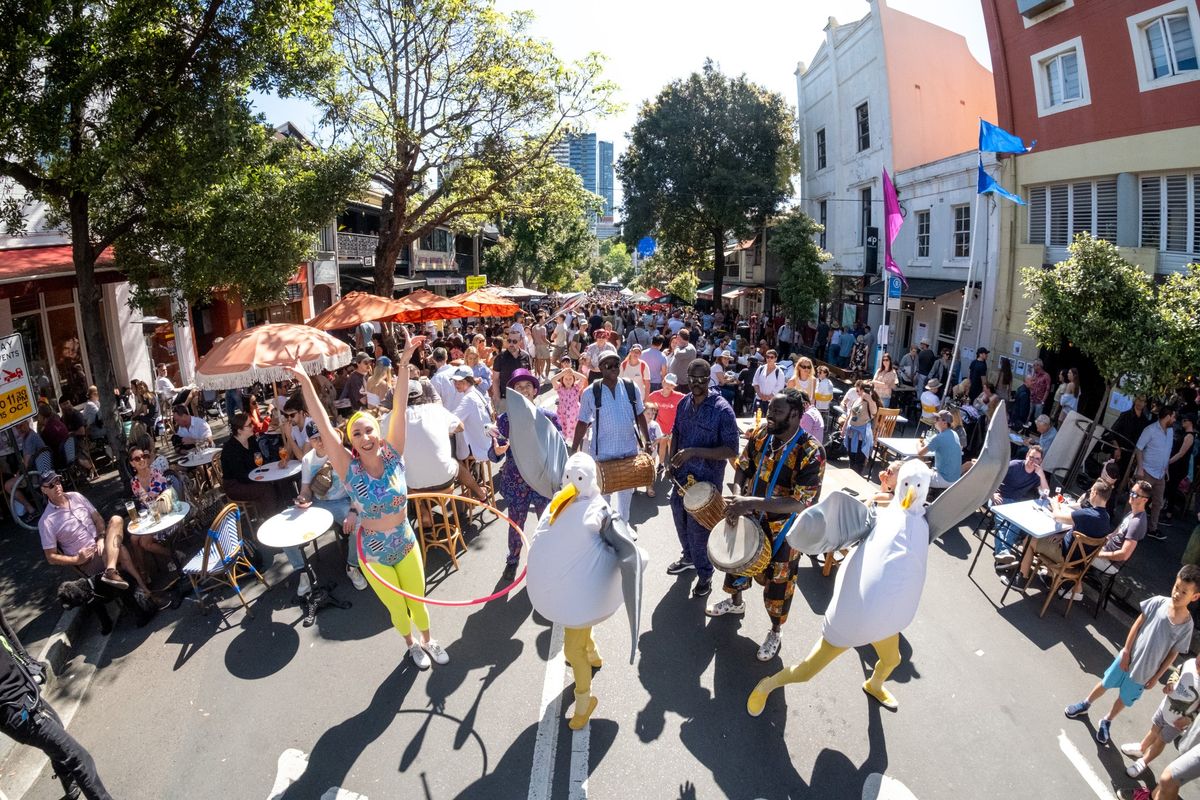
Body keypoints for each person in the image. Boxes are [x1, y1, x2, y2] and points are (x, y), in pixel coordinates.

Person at [289, 332, 449, 669]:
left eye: (369, 430)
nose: (364, 436)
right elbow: (320, 420)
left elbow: (401, 406)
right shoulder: (349, 470)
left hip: (405, 542)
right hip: (374, 553)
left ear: (379, 432)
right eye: (356, 433)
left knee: (417, 601)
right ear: (351, 441)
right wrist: (305, 380)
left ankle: (428, 639)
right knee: (397, 608)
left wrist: (404, 364)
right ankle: (411, 645)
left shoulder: (393, 454)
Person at [707, 389, 825, 661]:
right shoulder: (761, 435)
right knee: (736, 562)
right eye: (769, 410)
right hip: (750, 516)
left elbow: (801, 501)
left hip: (785, 531)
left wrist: (750, 502)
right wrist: (738, 496)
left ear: (795, 415)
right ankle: (736, 604)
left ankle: (775, 631)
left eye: (777, 412)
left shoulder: (811, 452)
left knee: (779, 586)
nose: (769, 416)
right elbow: (743, 467)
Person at [1065, 565, 1200, 746]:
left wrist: (1156, 677)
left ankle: (1107, 720)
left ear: (1195, 596)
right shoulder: (1158, 602)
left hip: (1146, 672)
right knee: (1106, 682)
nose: (1177, 593)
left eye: (1184, 592)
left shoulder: (1187, 625)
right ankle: (1085, 704)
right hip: (1127, 658)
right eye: (1176, 587)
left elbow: (1173, 654)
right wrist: (1126, 652)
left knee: (1125, 698)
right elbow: (1137, 625)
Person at [0, 602, 113, 799]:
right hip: (16, 709)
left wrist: (28, 661)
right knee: (79, 758)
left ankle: (70, 787)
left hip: (26, 691)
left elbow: (5, 628)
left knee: (58, 732)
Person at [666, 359, 739, 599]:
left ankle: (705, 575)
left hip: (706, 484)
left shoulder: (722, 410)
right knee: (680, 521)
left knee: (699, 532)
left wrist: (693, 451)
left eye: (703, 379)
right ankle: (688, 558)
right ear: (687, 376)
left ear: (710, 378)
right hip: (681, 479)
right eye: (693, 378)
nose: (697, 384)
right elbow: (676, 431)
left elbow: (731, 450)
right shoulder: (683, 403)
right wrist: (670, 461)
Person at [491, 369, 562, 581]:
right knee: (516, 525)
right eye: (518, 388)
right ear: (513, 392)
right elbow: (494, 452)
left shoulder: (548, 418)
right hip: (516, 482)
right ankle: (512, 561)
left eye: (527, 387)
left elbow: (559, 450)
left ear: (535, 390)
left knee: (548, 523)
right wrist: (496, 452)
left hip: (542, 481)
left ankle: (548, 559)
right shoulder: (504, 420)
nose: (523, 390)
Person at [38, 470, 153, 599]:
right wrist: (76, 560)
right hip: (88, 560)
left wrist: (101, 538)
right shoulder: (46, 521)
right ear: (44, 490)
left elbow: (98, 518)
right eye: (51, 485)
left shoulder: (76, 496)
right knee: (121, 549)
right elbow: (51, 557)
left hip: (102, 543)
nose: (57, 486)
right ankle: (145, 591)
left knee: (116, 520)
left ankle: (115, 573)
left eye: (58, 482)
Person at [572, 350, 652, 523]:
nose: (613, 368)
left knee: (626, 492)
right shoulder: (590, 392)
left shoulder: (631, 387)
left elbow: (640, 415)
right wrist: (574, 449)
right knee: (603, 493)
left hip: (628, 450)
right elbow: (582, 422)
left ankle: (624, 524)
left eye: (616, 364)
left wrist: (648, 441)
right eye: (608, 365)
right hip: (603, 452)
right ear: (600, 368)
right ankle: (605, 527)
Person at [1005, 480, 1113, 591]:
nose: (1089, 493)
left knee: (1030, 540)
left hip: (1064, 557)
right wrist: (1062, 535)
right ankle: (1049, 578)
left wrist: (1055, 504)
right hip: (1079, 562)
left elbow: (1058, 517)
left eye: (1091, 491)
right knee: (1053, 537)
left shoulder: (1087, 513)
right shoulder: (1106, 518)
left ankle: (1022, 579)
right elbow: (1082, 532)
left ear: (1094, 493)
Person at [1121, 655, 1200, 782]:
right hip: (1166, 706)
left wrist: (1189, 719)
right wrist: (1171, 682)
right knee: (1154, 728)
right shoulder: (1190, 663)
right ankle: (1141, 748)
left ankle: (1143, 761)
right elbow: (1178, 671)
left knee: (1161, 740)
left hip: (1178, 721)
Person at [991, 446, 1051, 564]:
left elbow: (1045, 493)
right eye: (1031, 457)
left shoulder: (1037, 474)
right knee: (1001, 522)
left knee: (1017, 525)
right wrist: (992, 494)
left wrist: (1042, 475)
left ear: (1041, 461)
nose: (1033, 461)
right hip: (1001, 497)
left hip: (1015, 503)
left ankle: (1003, 554)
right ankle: (1003, 553)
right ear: (1026, 456)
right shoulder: (1014, 465)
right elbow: (994, 476)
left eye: (1037, 459)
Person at [219, 412, 280, 508]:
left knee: (277, 480)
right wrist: (261, 478)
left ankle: (283, 507)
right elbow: (240, 475)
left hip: (253, 475)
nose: (253, 426)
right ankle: (269, 516)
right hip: (235, 485)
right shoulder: (230, 449)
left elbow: (261, 459)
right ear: (239, 430)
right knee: (266, 488)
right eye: (249, 425)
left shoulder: (251, 440)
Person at [1137, 406, 1176, 541]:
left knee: (1158, 503)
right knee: (1138, 498)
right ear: (1167, 416)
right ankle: (1127, 524)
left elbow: (1167, 452)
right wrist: (1140, 468)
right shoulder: (1150, 430)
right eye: (1173, 416)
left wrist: (1166, 469)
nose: (1175, 419)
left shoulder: (1170, 432)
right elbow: (1139, 448)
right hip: (1148, 470)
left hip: (1160, 473)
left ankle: (1152, 529)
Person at [918, 410, 962, 489]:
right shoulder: (954, 434)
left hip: (944, 479)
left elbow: (920, 452)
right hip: (955, 478)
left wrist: (918, 443)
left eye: (937, 419)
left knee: (916, 475)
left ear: (945, 423)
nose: (935, 421)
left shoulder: (939, 438)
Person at [492, 327, 533, 410]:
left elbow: (530, 377)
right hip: (506, 399)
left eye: (514, 341)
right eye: (509, 341)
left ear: (520, 341)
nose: (511, 344)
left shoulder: (526, 356)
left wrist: (531, 397)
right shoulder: (500, 358)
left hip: (523, 397)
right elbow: (495, 379)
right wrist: (497, 398)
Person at [751, 350, 788, 417]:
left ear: (775, 358)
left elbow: (779, 388)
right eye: (767, 357)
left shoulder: (779, 373)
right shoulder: (761, 369)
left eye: (771, 357)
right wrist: (760, 394)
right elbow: (755, 383)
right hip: (759, 399)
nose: (769, 359)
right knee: (755, 420)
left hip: (772, 403)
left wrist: (768, 397)